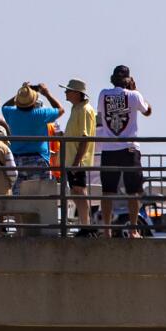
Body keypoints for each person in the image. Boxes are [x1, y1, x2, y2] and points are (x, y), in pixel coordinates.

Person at [95, 66, 153, 236]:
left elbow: (101, 113)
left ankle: (107, 230)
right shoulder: (135, 95)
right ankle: (133, 229)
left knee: (108, 192)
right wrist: (135, 90)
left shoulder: (103, 94)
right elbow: (148, 111)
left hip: (109, 149)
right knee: (133, 192)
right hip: (129, 148)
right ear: (129, 79)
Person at [2, 83, 63, 183]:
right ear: (34, 101)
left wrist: (23, 91)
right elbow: (61, 110)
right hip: (38, 160)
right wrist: (47, 93)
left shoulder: (11, 113)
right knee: (41, 195)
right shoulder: (41, 114)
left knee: (18, 195)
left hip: (17, 161)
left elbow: (5, 106)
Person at [58, 78, 98, 229]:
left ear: (76, 93)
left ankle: (86, 226)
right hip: (73, 160)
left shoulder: (84, 110)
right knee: (76, 192)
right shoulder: (77, 108)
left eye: (68, 90)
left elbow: (85, 138)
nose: (65, 92)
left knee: (79, 191)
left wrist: (76, 162)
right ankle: (85, 225)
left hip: (77, 160)